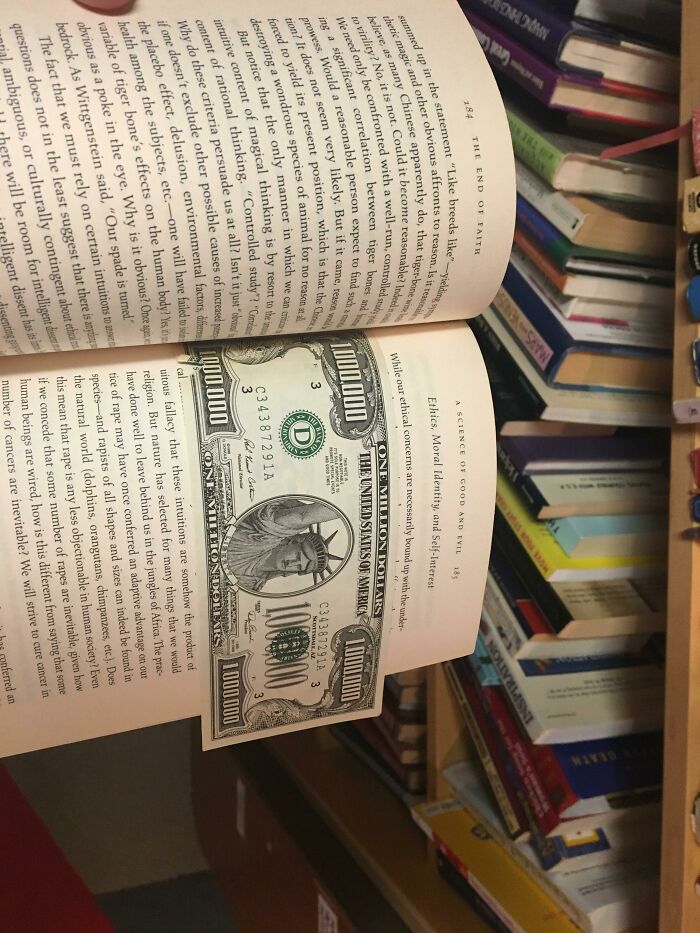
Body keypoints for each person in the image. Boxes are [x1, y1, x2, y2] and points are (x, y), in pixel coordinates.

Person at [221, 497, 347, 593]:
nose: (292, 563)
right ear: (292, 542)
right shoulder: (262, 537)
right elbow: (302, 516)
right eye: (297, 556)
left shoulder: (255, 584)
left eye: (299, 567)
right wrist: (350, 502)